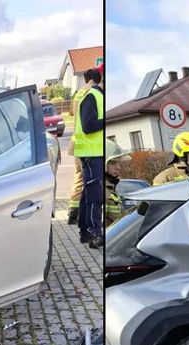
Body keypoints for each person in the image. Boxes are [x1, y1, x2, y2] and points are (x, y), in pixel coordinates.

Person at [73, 65, 104, 248]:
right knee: (95, 196)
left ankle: (86, 232)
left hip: (92, 153)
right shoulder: (93, 96)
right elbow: (88, 125)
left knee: (89, 194)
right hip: (92, 154)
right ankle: (94, 234)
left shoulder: (94, 96)